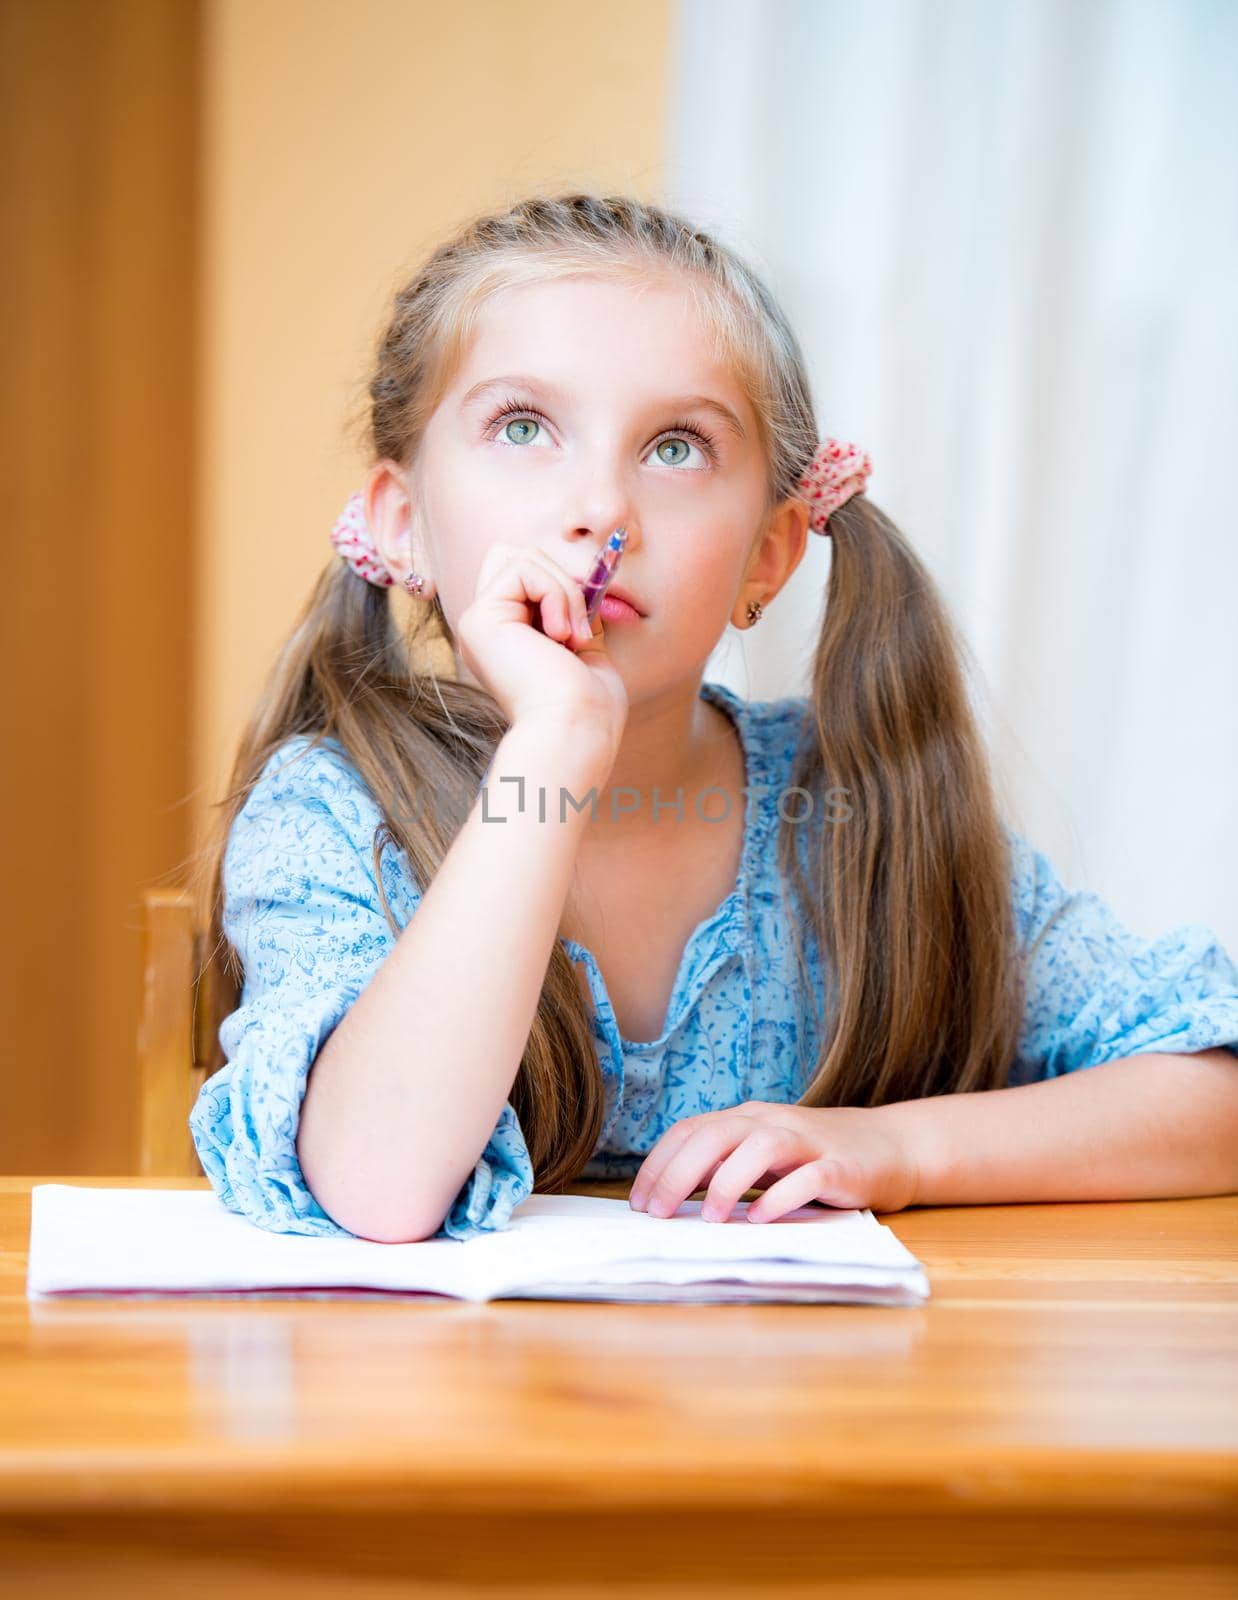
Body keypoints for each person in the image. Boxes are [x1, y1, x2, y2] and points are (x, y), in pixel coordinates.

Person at [187, 192, 1238, 1245]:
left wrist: (898, 1149)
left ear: (768, 554)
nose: (600, 506)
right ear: (402, 526)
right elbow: (376, 1181)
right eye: (522, 427)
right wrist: (555, 742)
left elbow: (1213, 1087)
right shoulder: (329, 815)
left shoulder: (855, 818)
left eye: (676, 447)